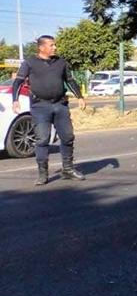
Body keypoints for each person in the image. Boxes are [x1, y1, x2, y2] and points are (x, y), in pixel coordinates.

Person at [13, 34, 87, 185]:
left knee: (67, 137)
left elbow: (70, 80)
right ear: (42, 47)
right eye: (51, 45)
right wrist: (15, 100)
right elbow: (19, 81)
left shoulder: (61, 62)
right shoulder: (30, 62)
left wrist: (79, 97)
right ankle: (43, 174)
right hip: (40, 107)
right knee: (42, 139)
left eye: (54, 45)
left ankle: (68, 169)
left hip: (60, 105)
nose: (55, 47)